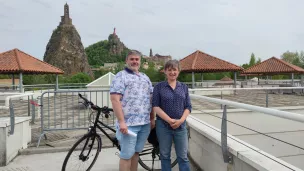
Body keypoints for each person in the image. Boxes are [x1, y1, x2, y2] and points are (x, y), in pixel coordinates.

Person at [110, 50, 155, 171]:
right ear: (127, 61)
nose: (134, 61)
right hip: (129, 125)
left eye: (137, 59)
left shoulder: (145, 77)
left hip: (144, 123)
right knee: (126, 156)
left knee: (135, 154)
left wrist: (152, 118)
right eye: (132, 59)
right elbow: (115, 100)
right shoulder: (121, 76)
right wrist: (121, 122)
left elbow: (151, 100)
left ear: (140, 61)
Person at [152, 60, 191, 171]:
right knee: (164, 155)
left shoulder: (184, 87)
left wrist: (181, 120)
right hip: (163, 126)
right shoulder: (159, 87)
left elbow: (188, 107)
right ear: (165, 71)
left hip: (181, 126)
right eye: (169, 70)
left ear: (178, 71)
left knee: (183, 156)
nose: (172, 72)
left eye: (174, 70)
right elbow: (155, 106)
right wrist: (169, 120)